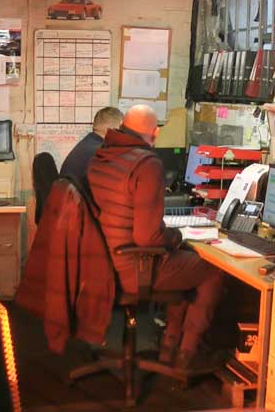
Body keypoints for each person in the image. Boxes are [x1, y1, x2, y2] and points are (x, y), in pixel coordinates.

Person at [87, 104, 225, 373]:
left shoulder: (103, 155)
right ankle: (186, 354)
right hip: (134, 268)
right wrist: (177, 236)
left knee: (187, 263)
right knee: (212, 271)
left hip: (105, 263)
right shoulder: (146, 164)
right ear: (155, 132)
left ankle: (169, 346)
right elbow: (147, 236)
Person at [60, 107, 123, 190]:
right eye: (122, 130)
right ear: (114, 130)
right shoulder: (100, 154)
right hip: (79, 201)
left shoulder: (87, 143)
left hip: (69, 199)